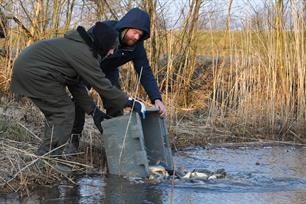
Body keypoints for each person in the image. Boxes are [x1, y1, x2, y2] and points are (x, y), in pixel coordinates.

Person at [10, 22, 146, 156]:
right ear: (103, 44)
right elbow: (102, 84)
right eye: (111, 48)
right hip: (33, 72)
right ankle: (48, 157)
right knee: (64, 112)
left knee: (60, 112)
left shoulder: (82, 47)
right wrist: (130, 102)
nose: (111, 52)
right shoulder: (84, 53)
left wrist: (94, 112)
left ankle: (50, 154)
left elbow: (76, 85)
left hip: (35, 71)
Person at [70, 8, 166, 151]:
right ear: (126, 27)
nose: (137, 37)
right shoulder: (105, 30)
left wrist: (156, 98)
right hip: (88, 68)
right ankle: (74, 139)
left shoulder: (137, 47)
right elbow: (82, 53)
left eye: (140, 35)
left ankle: (115, 145)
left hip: (109, 72)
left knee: (116, 103)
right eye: (135, 32)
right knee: (79, 101)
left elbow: (144, 71)